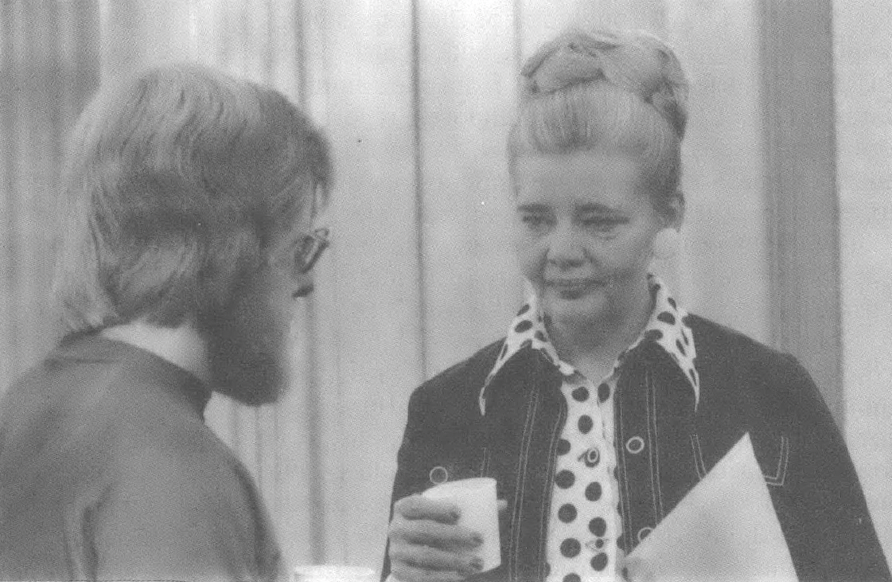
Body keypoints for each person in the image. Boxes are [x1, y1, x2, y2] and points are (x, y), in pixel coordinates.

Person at [383, 28, 890, 582]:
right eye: (536, 219)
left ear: (668, 212)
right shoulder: (446, 409)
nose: (562, 251)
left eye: (599, 222)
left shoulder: (769, 392)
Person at [0, 63, 331, 581]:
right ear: (231, 246)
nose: (304, 285)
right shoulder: (171, 467)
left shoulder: (22, 409)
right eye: (299, 249)